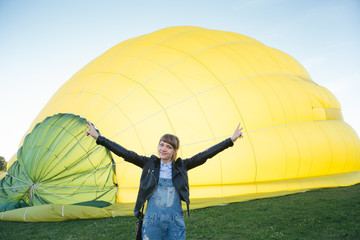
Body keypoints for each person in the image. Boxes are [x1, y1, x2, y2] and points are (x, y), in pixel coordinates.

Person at [86, 122, 243, 240]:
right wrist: (99, 138)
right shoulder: (148, 164)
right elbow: (124, 153)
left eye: (168, 147)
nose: (163, 149)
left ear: (175, 151)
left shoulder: (182, 166)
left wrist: (230, 140)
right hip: (152, 219)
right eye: (161, 145)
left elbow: (206, 154)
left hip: (175, 220)